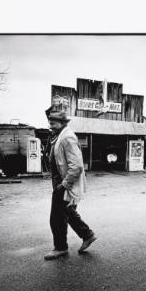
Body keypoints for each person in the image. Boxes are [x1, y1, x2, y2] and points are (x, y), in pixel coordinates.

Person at [43, 107, 97, 260]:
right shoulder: (58, 135)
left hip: (64, 183)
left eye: (53, 123)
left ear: (62, 123)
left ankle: (61, 248)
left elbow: (77, 166)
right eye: (49, 123)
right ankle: (87, 235)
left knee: (57, 218)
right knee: (67, 212)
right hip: (60, 182)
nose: (50, 126)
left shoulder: (67, 138)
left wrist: (64, 184)